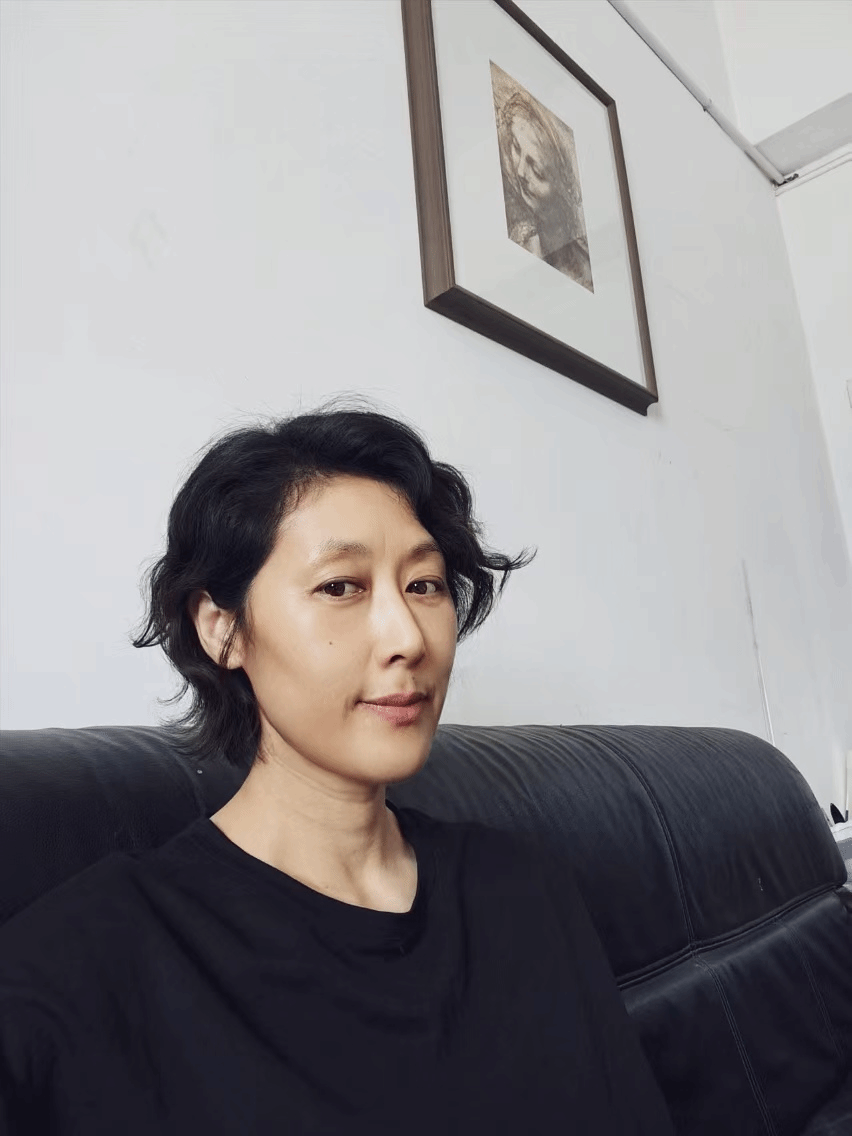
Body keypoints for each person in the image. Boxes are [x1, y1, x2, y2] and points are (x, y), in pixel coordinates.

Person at [0, 396, 675, 1134]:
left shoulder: (524, 888)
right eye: (340, 587)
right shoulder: (93, 955)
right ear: (223, 629)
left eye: (423, 585)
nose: (407, 637)